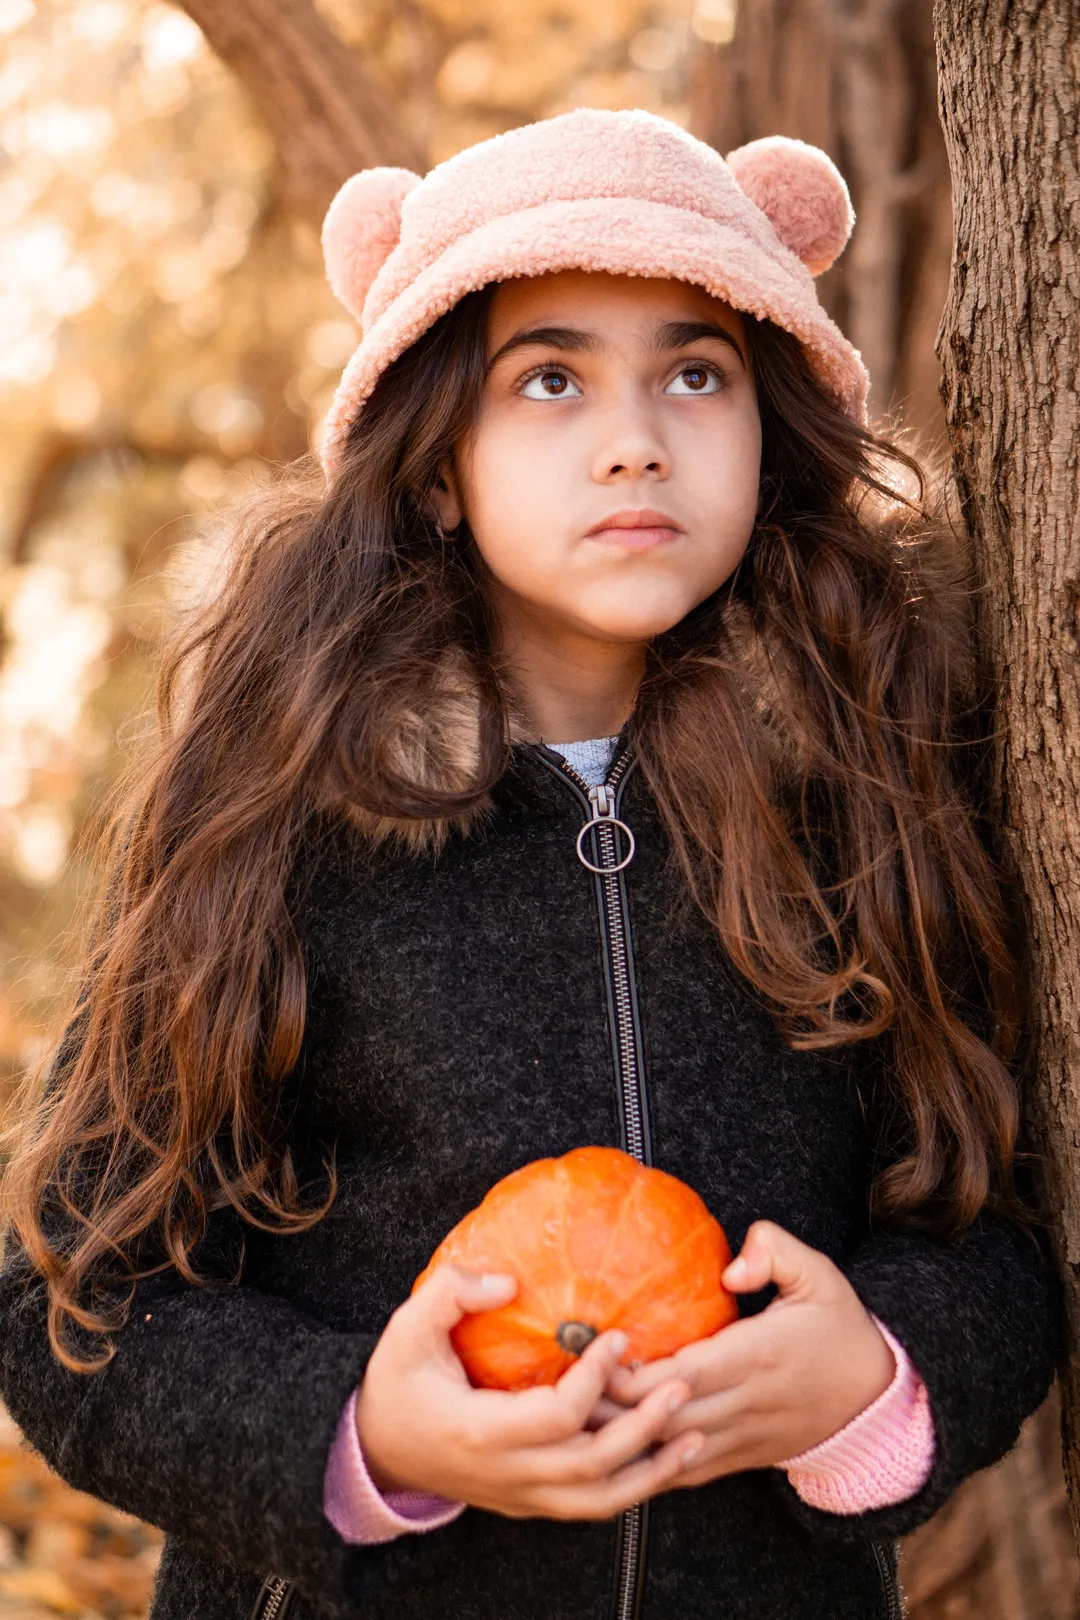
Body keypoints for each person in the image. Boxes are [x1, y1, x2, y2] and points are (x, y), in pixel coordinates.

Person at [0, 108, 1059, 1620]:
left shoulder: (865, 791)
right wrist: (363, 1431)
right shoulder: (279, 815)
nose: (636, 434)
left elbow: (996, 1225)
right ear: (438, 463)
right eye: (548, 377)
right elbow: (71, 1303)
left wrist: (875, 1378)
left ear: (770, 425)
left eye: (697, 371)